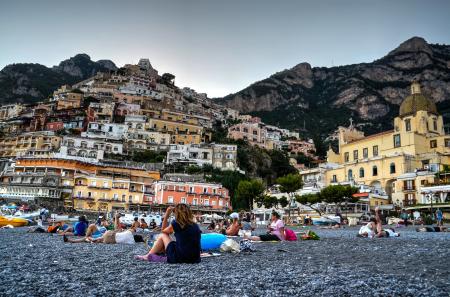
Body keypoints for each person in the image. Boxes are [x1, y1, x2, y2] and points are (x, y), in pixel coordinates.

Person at [135, 204, 201, 264]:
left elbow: (163, 231)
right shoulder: (195, 225)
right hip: (195, 258)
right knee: (173, 242)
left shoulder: (177, 223)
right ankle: (159, 252)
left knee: (163, 235)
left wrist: (167, 214)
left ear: (177, 214)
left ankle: (147, 256)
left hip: (180, 258)